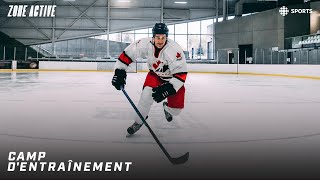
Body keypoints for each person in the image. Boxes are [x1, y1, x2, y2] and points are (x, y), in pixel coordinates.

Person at [111, 23, 188, 135]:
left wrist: (169, 88)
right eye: (157, 37)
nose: (160, 41)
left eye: (163, 38)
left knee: (176, 111)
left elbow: (181, 74)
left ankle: (167, 108)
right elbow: (127, 55)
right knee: (146, 96)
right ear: (153, 36)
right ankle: (138, 121)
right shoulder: (144, 44)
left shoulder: (174, 50)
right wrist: (119, 71)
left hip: (173, 80)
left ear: (167, 37)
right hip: (155, 75)